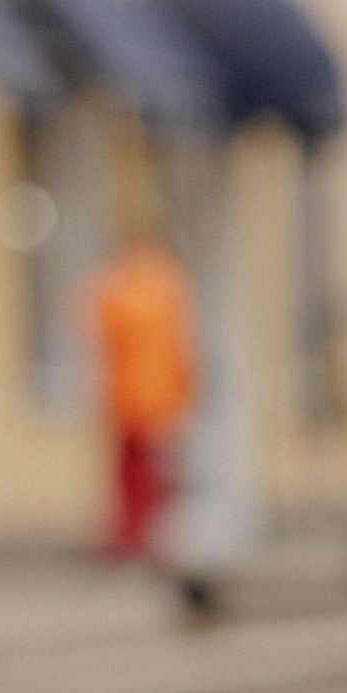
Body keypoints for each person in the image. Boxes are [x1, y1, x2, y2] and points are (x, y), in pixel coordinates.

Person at [85, 237, 197, 560]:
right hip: (154, 398)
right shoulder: (168, 285)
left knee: (137, 473)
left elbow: (99, 325)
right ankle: (146, 535)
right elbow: (180, 344)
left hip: (134, 398)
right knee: (146, 471)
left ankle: (137, 536)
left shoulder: (128, 289)